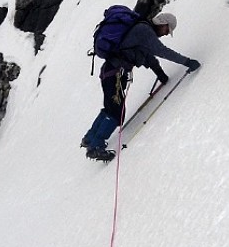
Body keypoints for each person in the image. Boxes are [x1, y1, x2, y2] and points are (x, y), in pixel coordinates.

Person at [81, 12, 201, 161]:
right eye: (167, 30)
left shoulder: (142, 30)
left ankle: (89, 138)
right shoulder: (145, 31)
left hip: (111, 72)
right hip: (115, 73)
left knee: (111, 108)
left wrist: (160, 73)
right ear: (162, 23)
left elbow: (148, 56)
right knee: (116, 112)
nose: (165, 34)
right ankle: (95, 147)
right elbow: (162, 51)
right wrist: (187, 62)